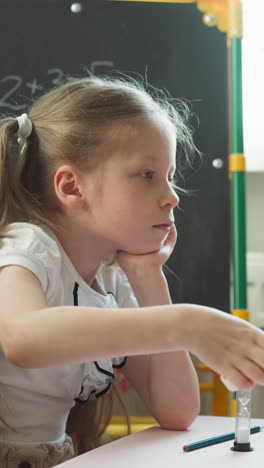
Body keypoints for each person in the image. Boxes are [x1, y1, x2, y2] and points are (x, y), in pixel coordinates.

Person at [0, 75, 264, 468]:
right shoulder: (27, 246)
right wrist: (187, 323)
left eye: (170, 176)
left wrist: (147, 276)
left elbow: (177, 413)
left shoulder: (111, 279)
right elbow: (23, 339)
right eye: (147, 175)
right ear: (71, 186)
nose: (172, 195)